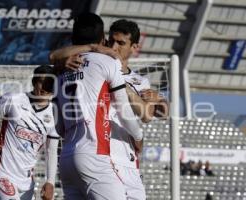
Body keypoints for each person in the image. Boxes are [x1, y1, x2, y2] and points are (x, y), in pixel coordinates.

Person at [50, 19, 169, 200]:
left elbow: (151, 114)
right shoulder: (90, 63)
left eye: (121, 43)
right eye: (111, 40)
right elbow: (53, 58)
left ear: (134, 47)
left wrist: (129, 90)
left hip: (124, 158)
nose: (114, 46)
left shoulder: (139, 81)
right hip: (101, 155)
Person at [0, 65, 59, 200]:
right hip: (3, 175)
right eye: (42, 82)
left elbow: (51, 151)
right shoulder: (13, 99)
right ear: (34, 82)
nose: (45, 87)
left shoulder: (55, 114)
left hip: (27, 183)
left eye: (50, 84)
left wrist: (50, 181)